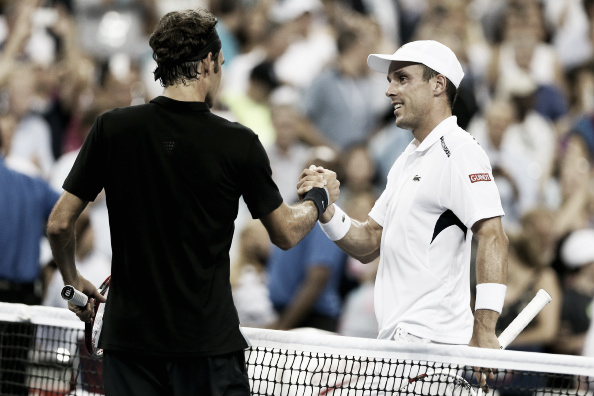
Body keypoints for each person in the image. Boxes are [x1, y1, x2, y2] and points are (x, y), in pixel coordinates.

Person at [46, 8, 339, 396]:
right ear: (207, 63)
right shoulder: (238, 142)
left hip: (129, 347)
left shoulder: (112, 128)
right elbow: (285, 232)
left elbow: (59, 224)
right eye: (220, 62)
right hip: (207, 349)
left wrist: (71, 280)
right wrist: (319, 198)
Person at [310, 40, 509, 392]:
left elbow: (493, 235)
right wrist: (326, 211)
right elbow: (370, 240)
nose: (389, 90)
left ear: (438, 84)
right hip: (400, 347)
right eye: (390, 80)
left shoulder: (460, 151)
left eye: (402, 78)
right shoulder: (407, 158)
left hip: (432, 351)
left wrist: (485, 329)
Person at [0, 113, 60, 396]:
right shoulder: (33, 186)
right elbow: (69, 216)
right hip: (25, 302)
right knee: (12, 384)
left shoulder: (31, 185)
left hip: (21, 304)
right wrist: (52, 265)